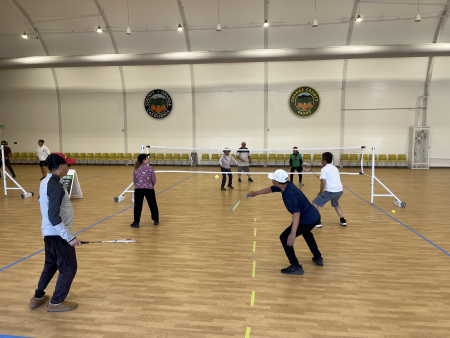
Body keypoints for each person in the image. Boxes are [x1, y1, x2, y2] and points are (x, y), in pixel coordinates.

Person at [29, 152, 81, 312]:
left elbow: (41, 201)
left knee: (50, 265)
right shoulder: (56, 186)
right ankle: (56, 302)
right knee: (68, 268)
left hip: (48, 233)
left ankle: (38, 297)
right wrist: (69, 237)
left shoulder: (45, 181)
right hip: (58, 235)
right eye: (67, 165)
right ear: (60, 167)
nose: (68, 167)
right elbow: (53, 215)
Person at [248, 169, 323, 275]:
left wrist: (292, 234)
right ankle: (318, 257)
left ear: (278, 182)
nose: (272, 180)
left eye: (273, 178)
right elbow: (272, 189)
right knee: (306, 233)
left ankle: (295, 266)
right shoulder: (287, 185)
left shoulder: (289, 195)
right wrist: (255, 193)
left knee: (284, 237)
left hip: (306, 219)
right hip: (314, 216)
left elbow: (296, 213)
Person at [312, 152, 347, 228]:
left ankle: (318, 221)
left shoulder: (324, 169)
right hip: (339, 191)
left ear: (324, 160)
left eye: (322, 159)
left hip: (331, 191)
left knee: (315, 202)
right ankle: (343, 220)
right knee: (335, 204)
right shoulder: (335, 168)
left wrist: (320, 191)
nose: (321, 161)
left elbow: (323, 182)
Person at [130, 153, 159, 228]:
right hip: (149, 189)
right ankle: (156, 220)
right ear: (143, 160)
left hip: (138, 189)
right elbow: (154, 180)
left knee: (137, 206)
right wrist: (150, 185)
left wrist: (138, 186)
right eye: (147, 158)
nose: (148, 159)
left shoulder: (136, 170)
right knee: (153, 205)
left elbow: (134, 181)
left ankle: (136, 222)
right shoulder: (150, 168)